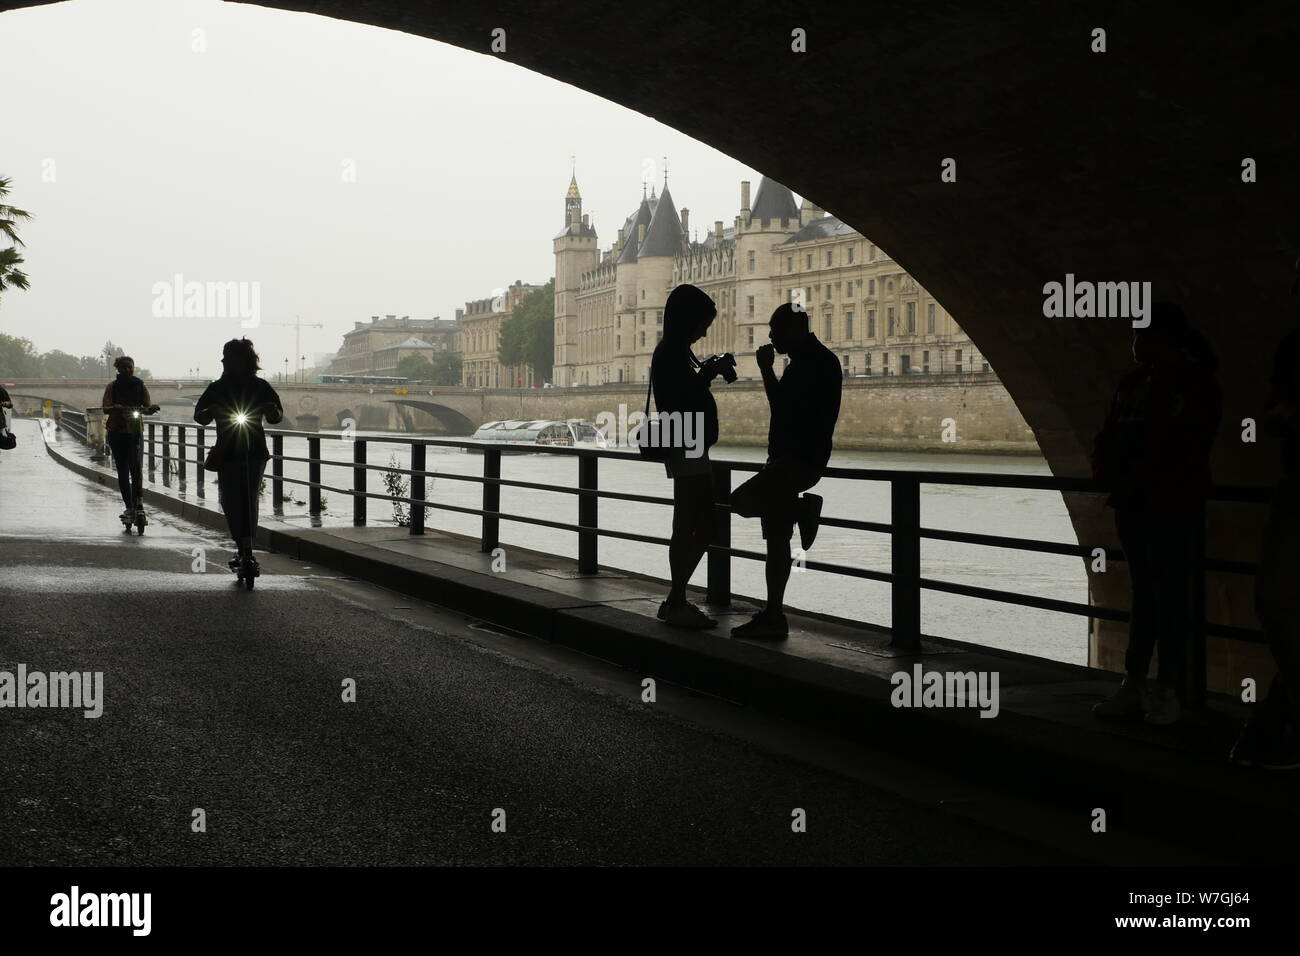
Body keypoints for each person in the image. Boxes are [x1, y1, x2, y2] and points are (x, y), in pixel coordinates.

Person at [1091, 302, 1221, 725]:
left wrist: (1121, 471)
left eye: (1141, 334)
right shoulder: (1137, 383)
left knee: (1162, 597)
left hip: (1167, 502)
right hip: (1141, 501)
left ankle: (1164, 687)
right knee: (1149, 594)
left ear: (1165, 340)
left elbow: (1181, 443)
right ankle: (1144, 684)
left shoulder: (1189, 384)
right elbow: (1112, 435)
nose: (1134, 341)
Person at [730, 303, 843, 639]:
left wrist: (765, 369)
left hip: (796, 462)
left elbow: (780, 407)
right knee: (778, 541)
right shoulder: (818, 360)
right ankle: (774, 614)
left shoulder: (809, 364)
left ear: (794, 330)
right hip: (793, 460)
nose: (770, 336)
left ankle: (804, 508)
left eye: (774, 330)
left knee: (741, 501)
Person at [1230, 317, 1300, 768]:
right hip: (1296, 488)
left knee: (1277, 601)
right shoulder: (1294, 345)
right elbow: (1269, 413)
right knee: (1275, 601)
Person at [651, 283, 729, 628]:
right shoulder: (672, 352)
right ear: (688, 320)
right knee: (696, 523)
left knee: (690, 522)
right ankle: (678, 600)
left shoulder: (673, 350)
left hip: (689, 443)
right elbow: (681, 400)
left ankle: (676, 599)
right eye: (702, 324)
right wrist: (707, 376)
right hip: (687, 444)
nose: (704, 332)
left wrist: (704, 372)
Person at [194, 338, 284, 576]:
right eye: (226, 358)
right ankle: (241, 545)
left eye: (232, 357)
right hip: (228, 450)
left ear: (242, 360)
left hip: (253, 449)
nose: (228, 362)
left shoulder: (260, 386)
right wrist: (208, 412)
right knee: (230, 500)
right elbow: (199, 415)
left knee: (249, 497)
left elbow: (277, 414)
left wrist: (271, 410)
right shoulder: (217, 388)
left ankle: (247, 547)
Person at [100, 356, 160, 523]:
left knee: (136, 468)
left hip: (134, 431)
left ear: (134, 368)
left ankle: (138, 504)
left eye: (130, 367)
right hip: (117, 431)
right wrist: (115, 408)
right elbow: (105, 407)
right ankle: (129, 506)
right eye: (124, 367)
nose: (128, 370)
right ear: (118, 369)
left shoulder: (140, 385)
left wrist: (151, 408)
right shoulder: (112, 387)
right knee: (123, 470)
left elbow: (146, 407)